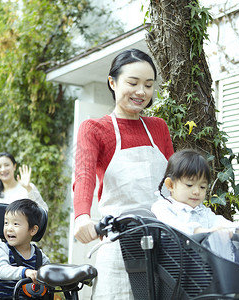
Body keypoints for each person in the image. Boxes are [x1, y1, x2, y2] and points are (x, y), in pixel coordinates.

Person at [73, 48, 174, 299]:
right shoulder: (95, 128)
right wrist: (82, 217)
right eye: (133, 82)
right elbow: (84, 175)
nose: (141, 92)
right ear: (112, 82)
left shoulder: (159, 128)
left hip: (163, 242)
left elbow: (176, 183)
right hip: (118, 245)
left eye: (148, 85)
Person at [151, 149, 239, 246]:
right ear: (170, 185)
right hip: (174, 267)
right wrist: (202, 231)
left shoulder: (203, 212)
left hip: (202, 268)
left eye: (203, 187)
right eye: (189, 185)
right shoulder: (162, 207)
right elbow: (174, 227)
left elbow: (221, 223)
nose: (196, 192)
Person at [0, 199, 50, 300]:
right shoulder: (2, 249)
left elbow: (50, 271)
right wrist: (25, 272)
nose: (9, 228)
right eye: (6, 223)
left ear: (33, 230)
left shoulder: (39, 255)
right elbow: (2, 270)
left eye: (15, 224)